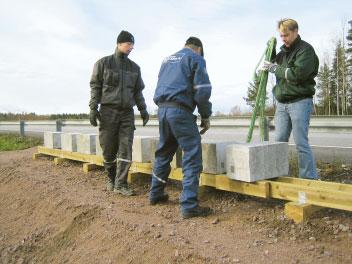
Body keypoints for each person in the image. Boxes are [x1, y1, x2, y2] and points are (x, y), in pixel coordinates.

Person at [150, 36, 213, 219]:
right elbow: (202, 91)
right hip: (180, 111)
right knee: (192, 156)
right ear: (199, 49)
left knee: (164, 152)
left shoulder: (167, 60)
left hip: (162, 111)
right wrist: (206, 115)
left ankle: (155, 194)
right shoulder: (196, 58)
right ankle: (189, 205)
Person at [89, 30, 149, 195]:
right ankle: (111, 178)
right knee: (108, 149)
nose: (131, 48)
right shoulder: (103, 64)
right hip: (108, 111)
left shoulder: (135, 68)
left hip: (127, 113)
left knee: (125, 148)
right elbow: (95, 86)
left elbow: (138, 92)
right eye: (128, 44)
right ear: (119, 43)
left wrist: (143, 110)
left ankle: (121, 183)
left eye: (133, 45)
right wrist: (93, 107)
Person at [262, 19, 319, 179]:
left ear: (295, 31)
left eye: (286, 35)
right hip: (282, 104)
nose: (284, 39)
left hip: (300, 102)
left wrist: (275, 68)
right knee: (279, 141)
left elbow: (296, 74)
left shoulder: (305, 51)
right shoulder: (283, 53)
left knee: (301, 142)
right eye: (281, 36)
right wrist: (271, 50)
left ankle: (309, 179)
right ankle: (279, 175)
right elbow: (274, 63)